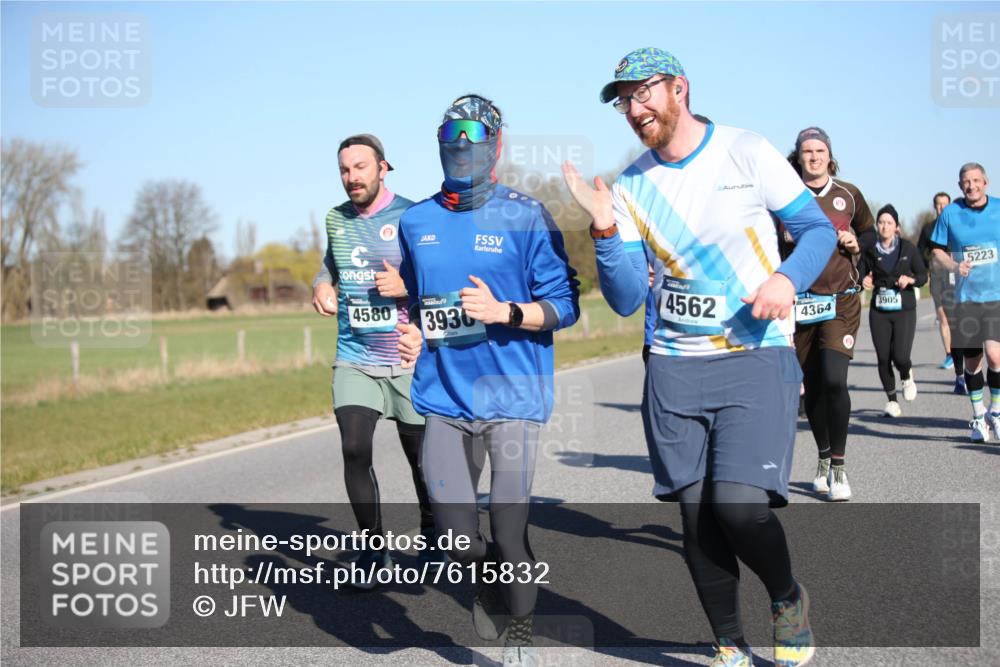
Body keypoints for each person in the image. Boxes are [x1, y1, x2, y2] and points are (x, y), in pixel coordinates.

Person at [563, 47, 835, 667]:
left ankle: (787, 597)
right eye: (623, 99)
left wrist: (786, 281)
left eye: (644, 93)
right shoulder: (631, 186)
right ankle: (728, 638)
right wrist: (605, 230)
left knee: (737, 507)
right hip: (673, 366)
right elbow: (630, 298)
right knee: (695, 520)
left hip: (755, 354)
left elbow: (816, 230)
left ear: (679, 88)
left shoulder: (747, 151)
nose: (634, 109)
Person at [395, 94, 579, 667]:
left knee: (506, 524)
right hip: (442, 397)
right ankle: (486, 582)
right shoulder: (416, 221)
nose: (462, 153)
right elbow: (418, 299)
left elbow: (566, 304)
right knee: (455, 540)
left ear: (495, 147)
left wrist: (506, 312)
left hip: (513, 396)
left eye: (473, 144)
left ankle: (518, 634)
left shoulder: (526, 215)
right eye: (452, 143)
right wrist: (415, 333)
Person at [312, 133, 438, 585]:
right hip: (355, 355)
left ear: (384, 168)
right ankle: (371, 550)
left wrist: (407, 288)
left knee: (421, 460)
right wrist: (322, 285)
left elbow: (438, 277)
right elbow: (330, 264)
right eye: (345, 170)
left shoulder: (413, 216)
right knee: (353, 448)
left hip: (406, 357)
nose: (352, 178)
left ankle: (432, 534)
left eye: (360, 167)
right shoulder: (336, 218)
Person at [783, 126, 875, 502]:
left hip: (842, 299)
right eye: (807, 151)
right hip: (801, 302)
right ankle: (822, 457)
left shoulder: (849, 194)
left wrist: (857, 242)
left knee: (835, 379)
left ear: (829, 156)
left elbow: (868, 233)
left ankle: (839, 466)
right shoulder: (786, 196)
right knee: (815, 385)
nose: (814, 156)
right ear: (799, 156)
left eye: (820, 150)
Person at [930, 162, 1000, 443]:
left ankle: (995, 411)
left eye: (976, 180)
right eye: (965, 182)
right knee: (973, 361)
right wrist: (953, 264)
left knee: (996, 356)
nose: (971, 186)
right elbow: (936, 250)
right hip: (965, 298)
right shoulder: (950, 214)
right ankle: (977, 414)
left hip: (996, 295)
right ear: (960, 186)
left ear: (986, 182)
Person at [858, 204, 927, 417]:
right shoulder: (869, 251)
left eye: (889, 223)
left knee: (900, 356)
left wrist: (911, 279)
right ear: (877, 226)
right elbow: (860, 275)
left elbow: (923, 276)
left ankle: (906, 375)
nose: (884, 226)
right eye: (881, 222)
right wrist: (865, 280)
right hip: (879, 310)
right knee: (882, 357)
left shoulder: (908, 248)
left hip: (904, 309)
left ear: (896, 226)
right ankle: (891, 401)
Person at [918, 191, 967, 393]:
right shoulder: (929, 228)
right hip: (938, 275)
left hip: (959, 274)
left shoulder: (959, 225)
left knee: (963, 321)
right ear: (934, 206)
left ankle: (969, 362)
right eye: (938, 204)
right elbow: (920, 251)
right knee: (945, 318)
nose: (941, 208)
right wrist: (924, 270)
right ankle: (952, 357)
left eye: (944, 204)